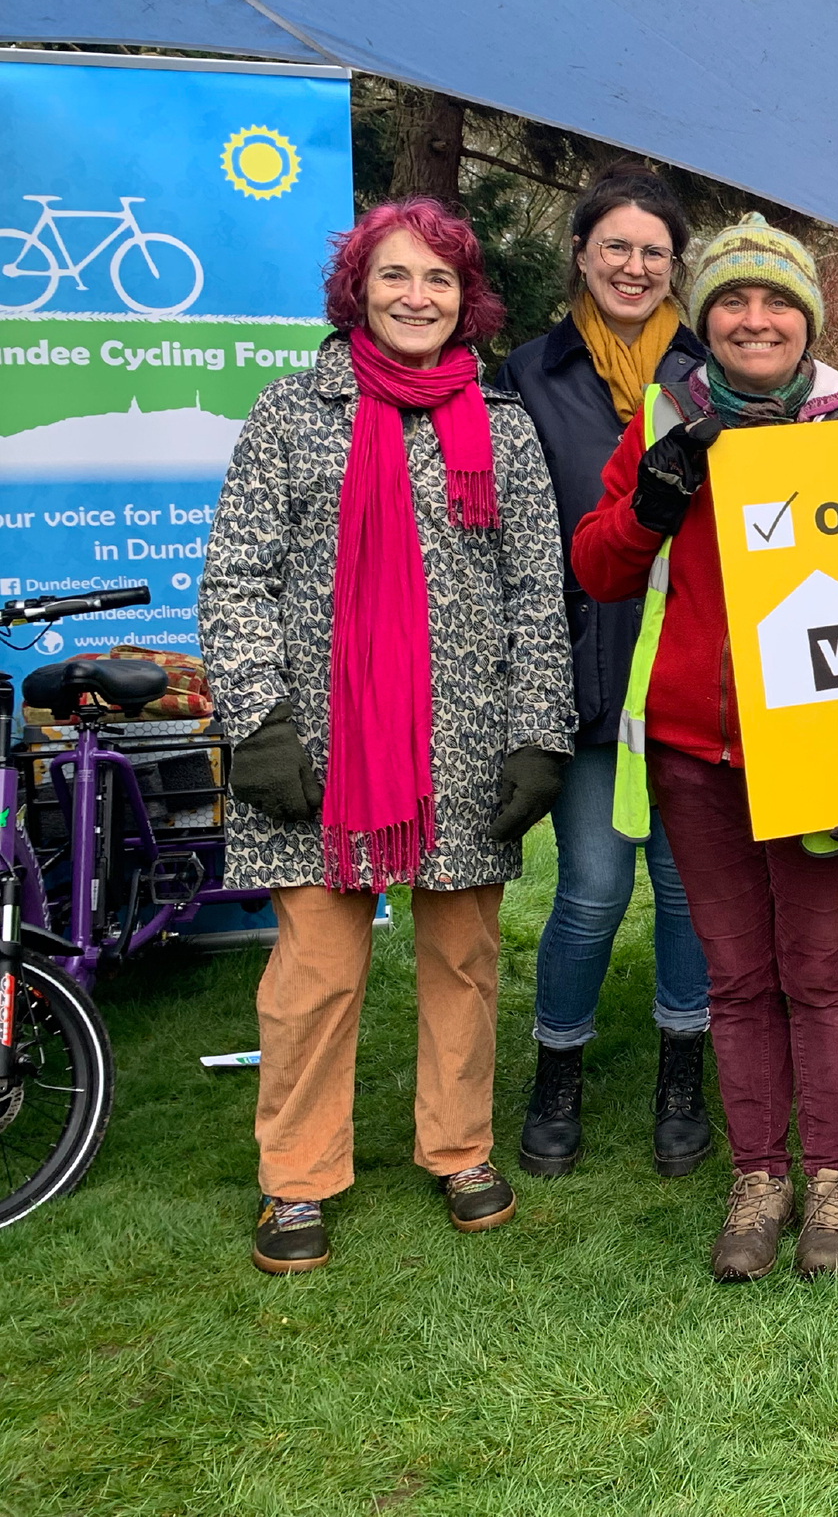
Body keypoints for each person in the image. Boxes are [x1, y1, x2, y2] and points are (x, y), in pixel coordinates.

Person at [201, 199, 573, 1275]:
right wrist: (258, 717)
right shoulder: (290, 413)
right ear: (358, 290)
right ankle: (296, 1178)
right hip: (318, 744)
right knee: (315, 969)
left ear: (469, 299)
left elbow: (534, 595)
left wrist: (538, 733)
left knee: (462, 957)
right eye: (397, 276)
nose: (419, 298)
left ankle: (457, 1147)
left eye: (441, 280)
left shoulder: (501, 428)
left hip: (460, 741)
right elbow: (237, 577)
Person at [573, 215, 838, 1281]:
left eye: (777, 303)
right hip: (690, 749)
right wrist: (649, 508)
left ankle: (834, 1176)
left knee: (818, 969)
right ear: (705, 319)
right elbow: (602, 570)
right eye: (734, 304)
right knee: (738, 976)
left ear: (807, 320)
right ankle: (760, 1175)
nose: (755, 321)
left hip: (816, 747)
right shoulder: (665, 417)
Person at [493, 165, 713, 1181]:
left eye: (653, 252)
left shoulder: (719, 374)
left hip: (689, 677)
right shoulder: (526, 376)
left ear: (677, 268)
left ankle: (682, 1071)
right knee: (589, 888)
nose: (634, 266)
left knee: (684, 888)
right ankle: (558, 1072)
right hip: (583, 673)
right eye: (615, 247)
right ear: (582, 254)